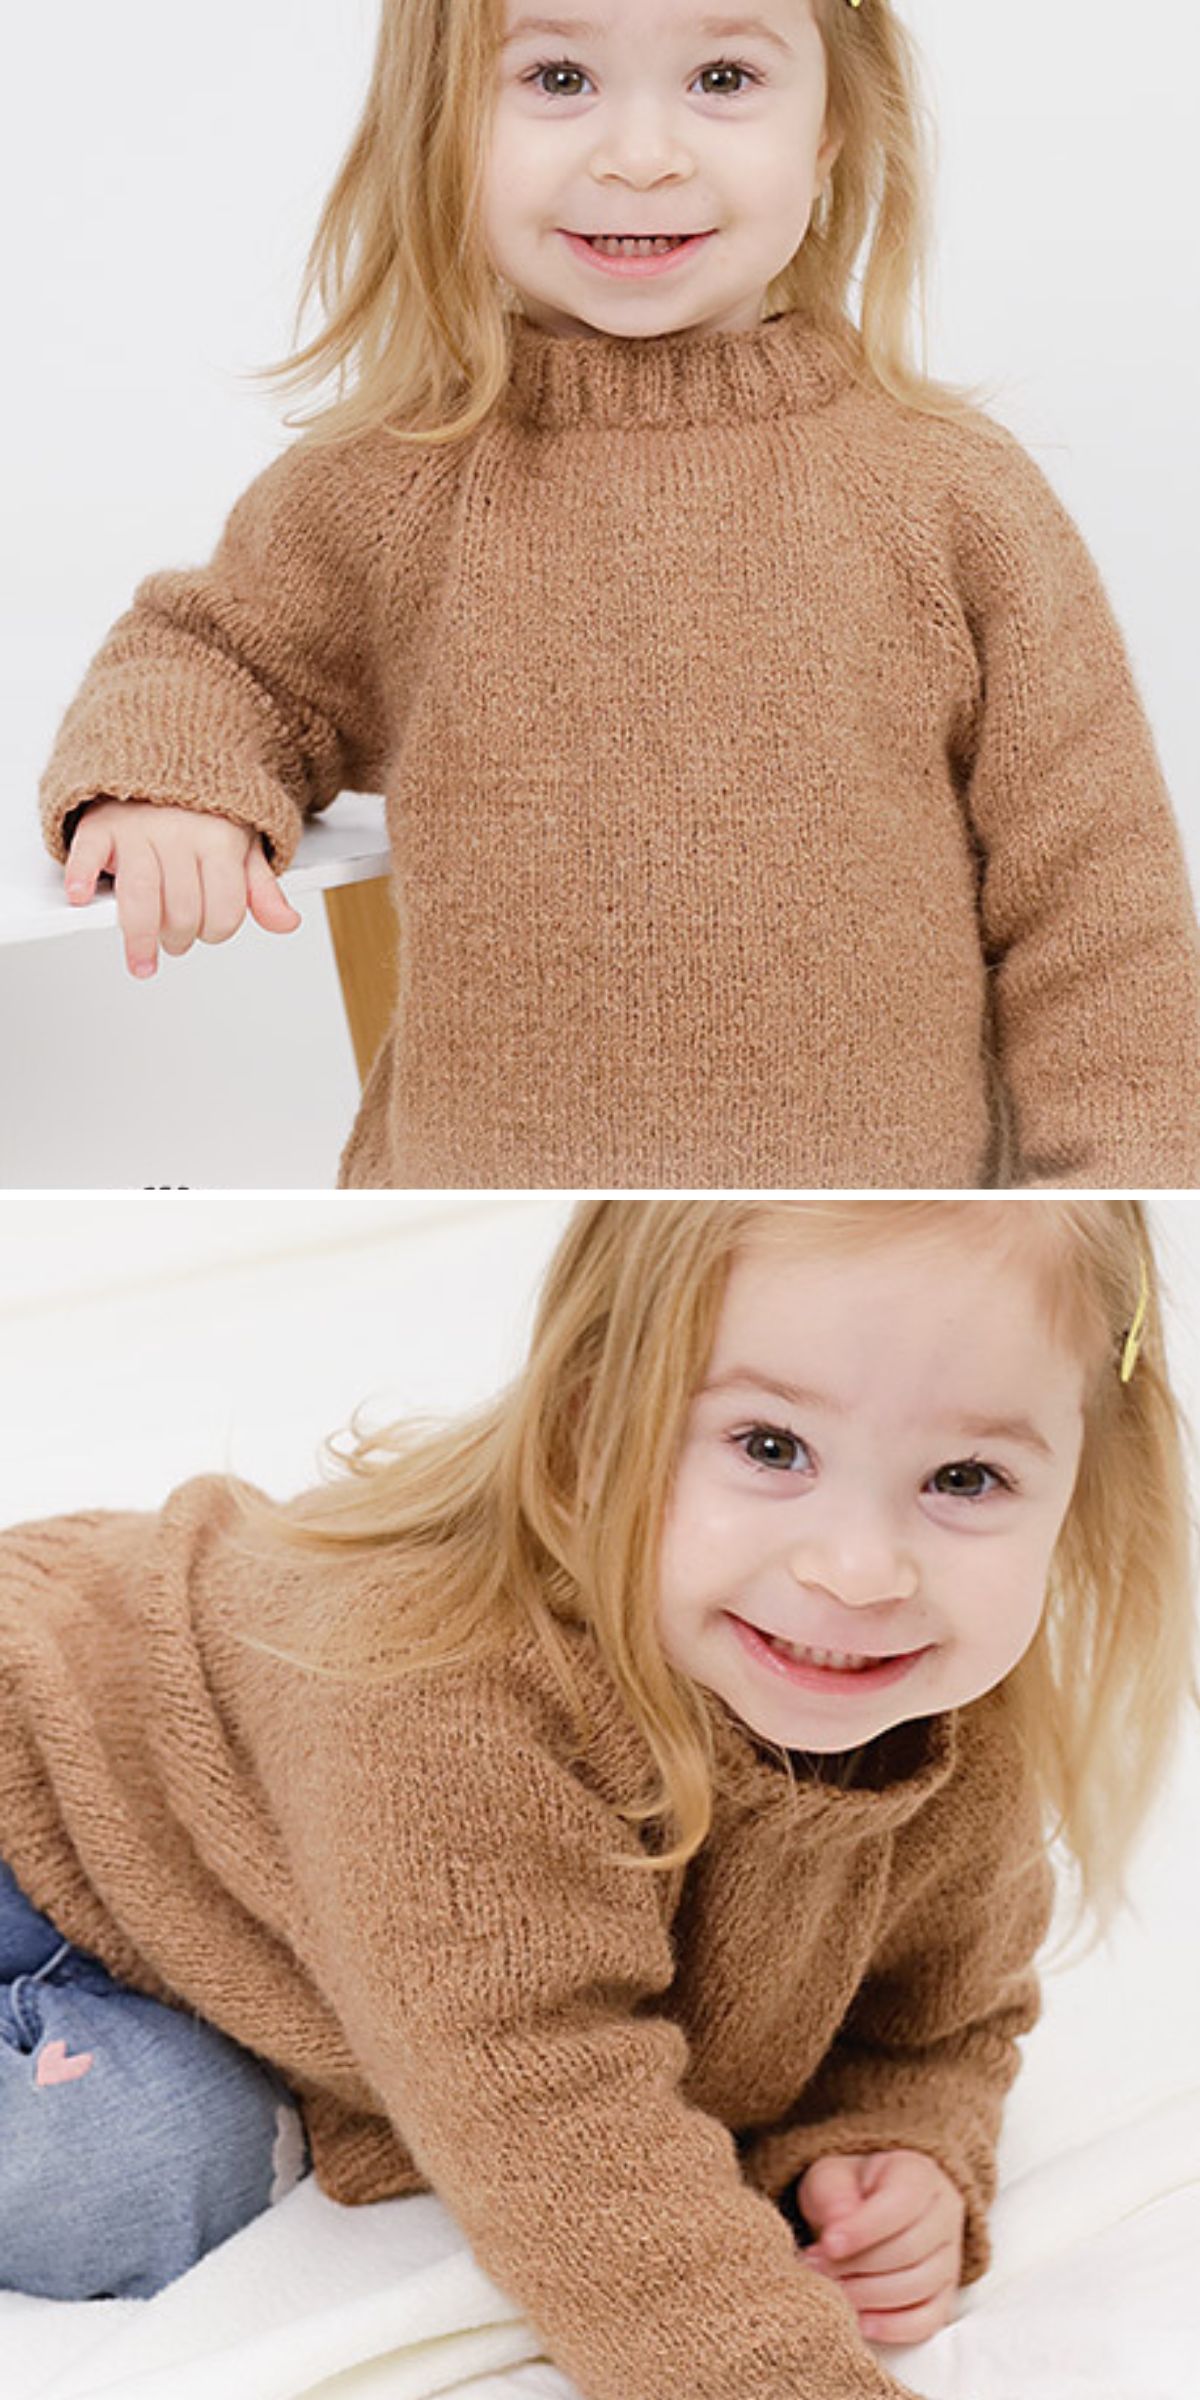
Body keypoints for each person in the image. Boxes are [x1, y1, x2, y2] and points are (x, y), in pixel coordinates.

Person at [0, 1197, 1194, 2400]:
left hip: (183, 1934)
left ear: (1084, 1486)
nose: (859, 1570)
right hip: (30, 1778)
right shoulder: (446, 1693)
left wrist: (902, 2146)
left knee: (142, 2174)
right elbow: (559, 2127)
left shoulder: (932, 1722)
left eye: (967, 1478)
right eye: (771, 1448)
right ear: (592, 1424)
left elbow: (939, 2020)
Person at [35, 2, 1200, 1189]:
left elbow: (1101, 914)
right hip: (474, 1222)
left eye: (725, 76)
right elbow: (217, 657)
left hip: (869, 1234)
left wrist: (1117, 1195)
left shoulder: (953, 494)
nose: (641, 156)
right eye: (556, 77)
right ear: (437, 124)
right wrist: (166, 786)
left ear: (832, 131)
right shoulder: (395, 482)